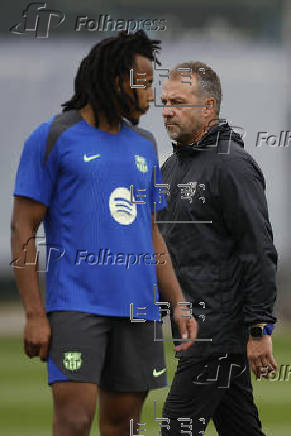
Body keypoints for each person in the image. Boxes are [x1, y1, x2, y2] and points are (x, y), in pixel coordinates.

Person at [11, 31, 197, 436]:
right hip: (77, 305)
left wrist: (178, 302)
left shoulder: (146, 146)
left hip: (138, 309)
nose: (153, 95)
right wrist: (34, 313)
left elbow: (151, 234)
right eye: (144, 83)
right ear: (117, 81)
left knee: (124, 427)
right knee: (75, 421)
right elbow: (23, 225)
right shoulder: (53, 137)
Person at [157, 61, 278, 435]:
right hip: (193, 330)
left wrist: (259, 329)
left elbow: (258, 250)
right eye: (164, 102)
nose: (167, 111)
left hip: (215, 333)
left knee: (176, 429)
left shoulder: (232, 166)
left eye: (178, 102)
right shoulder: (171, 168)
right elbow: (172, 251)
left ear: (208, 108)